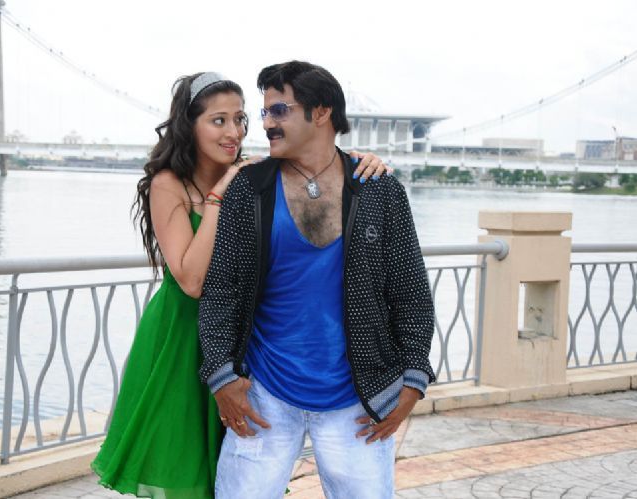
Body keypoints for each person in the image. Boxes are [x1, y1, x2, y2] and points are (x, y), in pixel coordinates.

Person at [91, 71, 389, 498]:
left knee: (236, 467)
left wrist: (359, 161)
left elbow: (318, 162)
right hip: (181, 339)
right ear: (190, 125)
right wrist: (218, 196)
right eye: (219, 121)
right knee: (181, 467)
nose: (234, 132)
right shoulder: (169, 184)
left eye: (240, 119)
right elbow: (192, 280)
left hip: (241, 342)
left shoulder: (254, 175)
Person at [198, 61, 436, 499]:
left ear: (321, 112)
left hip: (360, 401)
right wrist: (222, 377)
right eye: (265, 112)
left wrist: (414, 379)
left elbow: (411, 293)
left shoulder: (379, 189)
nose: (266, 123)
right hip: (262, 397)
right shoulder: (249, 189)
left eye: (280, 111)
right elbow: (220, 293)